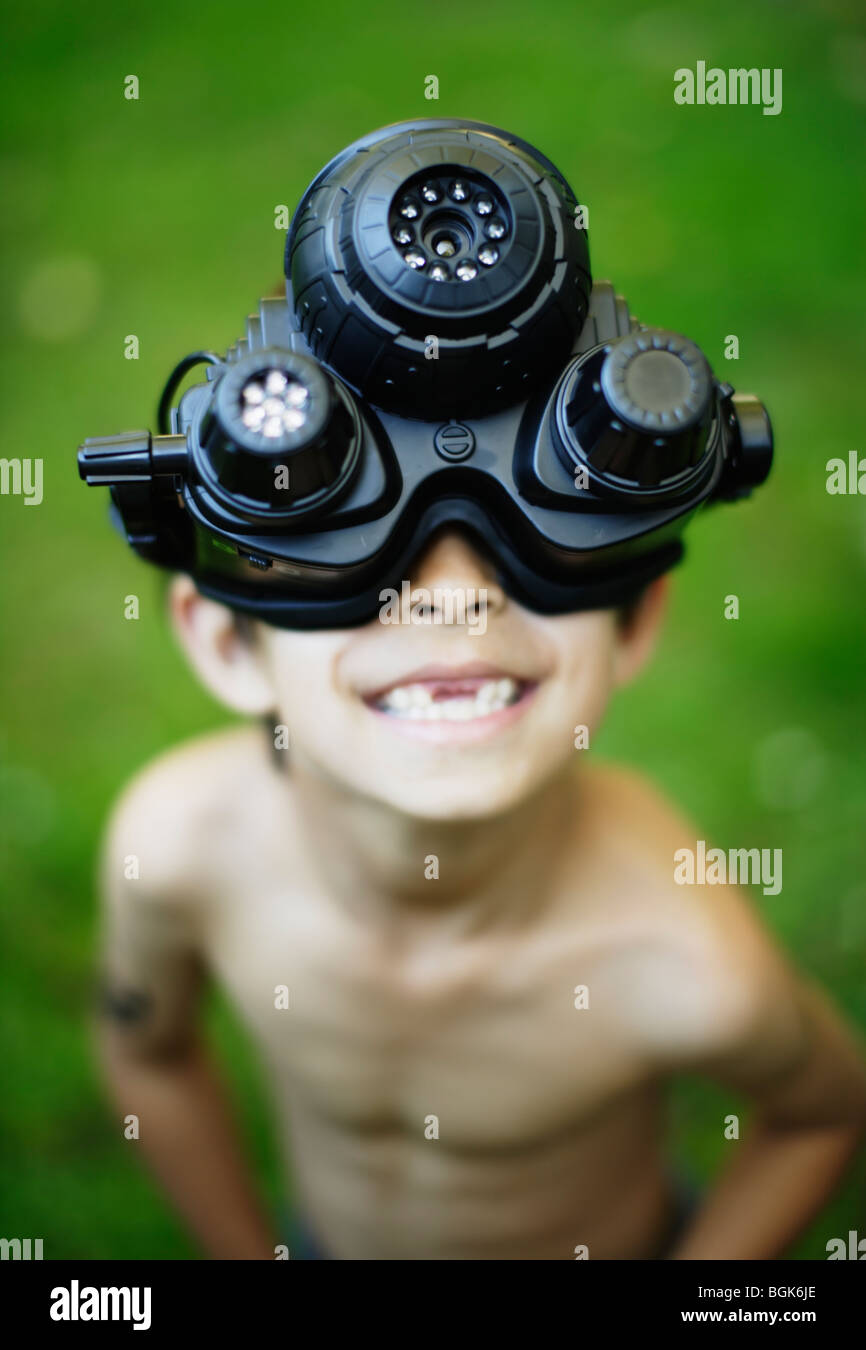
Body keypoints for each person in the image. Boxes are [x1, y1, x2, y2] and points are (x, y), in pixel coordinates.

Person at [95, 531, 866, 1260]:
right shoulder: (177, 851)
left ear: (631, 622)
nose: (456, 598)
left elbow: (825, 1110)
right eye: (343, 538)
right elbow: (146, 1054)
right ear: (228, 641)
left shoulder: (687, 962)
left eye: (533, 528)